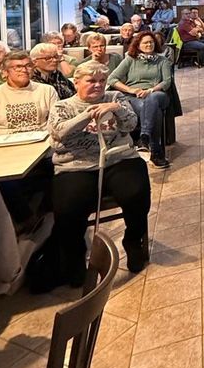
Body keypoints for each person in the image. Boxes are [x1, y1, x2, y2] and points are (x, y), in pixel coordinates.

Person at [48, 60, 151, 283]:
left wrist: (116, 109)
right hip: (76, 165)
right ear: (76, 83)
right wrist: (87, 114)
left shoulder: (114, 98)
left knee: (136, 193)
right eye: (91, 81)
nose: (98, 85)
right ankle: (74, 260)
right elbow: (59, 136)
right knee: (68, 207)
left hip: (118, 159)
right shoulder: (62, 107)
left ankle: (133, 241)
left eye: (102, 81)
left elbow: (131, 125)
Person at [108, 31, 173, 168]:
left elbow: (166, 82)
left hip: (157, 93)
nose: (149, 44)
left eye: (151, 42)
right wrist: (131, 90)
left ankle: (144, 137)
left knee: (153, 100)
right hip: (134, 96)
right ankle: (156, 153)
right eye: (145, 42)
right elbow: (112, 79)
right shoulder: (130, 60)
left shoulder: (162, 60)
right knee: (153, 111)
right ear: (138, 45)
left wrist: (150, 90)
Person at [0, 51, 58, 136]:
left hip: (42, 142)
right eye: (18, 67)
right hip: (5, 145)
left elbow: (56, 125)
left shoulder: (47, 90)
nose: (24, 70)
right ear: (5, 72)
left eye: (28, 66)